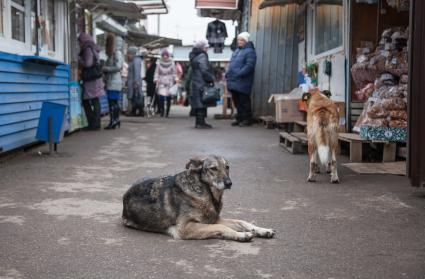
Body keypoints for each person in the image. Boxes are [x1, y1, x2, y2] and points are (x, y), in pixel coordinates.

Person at [226, 32, 257, 127]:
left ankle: (247, 119)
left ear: (246, 41)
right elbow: (232, 64)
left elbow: (249, 66)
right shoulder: (237, 51)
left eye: (242, 40)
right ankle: (240, 118)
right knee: (237, 101)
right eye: (238, 40)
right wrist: (228, 74)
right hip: (234, 80)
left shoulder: (250, 51)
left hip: (243, 80)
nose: (239, 42)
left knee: (244, 101)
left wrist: (239, 74)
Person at [78, 33, 105, 131]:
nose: (79, 44)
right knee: (95, 100)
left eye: (80, 41)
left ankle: (92, 123)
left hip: (91, 79)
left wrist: (79, 60)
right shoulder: (93, 48)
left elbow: (88, 64)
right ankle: (96, 124)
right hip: (96, 79)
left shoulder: (87, 49)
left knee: (86, 101)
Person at [189, 39, 215, 129]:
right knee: (202, 102)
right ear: (202, 48)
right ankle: (200, 123)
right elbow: (204, 70)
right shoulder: (202, 56)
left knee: (199, 102)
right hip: (201, 81)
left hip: (196, 81)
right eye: (206, 47)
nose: (207, 49)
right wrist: (211, 79)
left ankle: (199, 122)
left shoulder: (194, 56)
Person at [103, 33, 123, 129]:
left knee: (112, 102)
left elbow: (118, 67)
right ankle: (116, 120)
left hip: (114, 82)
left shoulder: (117, 53)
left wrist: (105, 68)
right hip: (112, 81)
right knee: (113, 102)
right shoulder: (111, 54)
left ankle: (114, 121)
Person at [154, 49, 177, 117]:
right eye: (163, 55)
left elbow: (174, 73)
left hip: (169, 82)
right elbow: (156, 73)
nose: (165, 56)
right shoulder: (159, 64)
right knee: (160, 97)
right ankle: (162, 110)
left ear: (168, 55)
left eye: (166, 55)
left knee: (168, 98)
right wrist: (156, 79)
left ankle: (167, 112)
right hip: (161, 82)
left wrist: (175, 79)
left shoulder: (172, 63)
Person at [127, 47, 144, 116]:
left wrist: (136, 82)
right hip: (133, 81)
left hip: (135, 82)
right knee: (135, 96)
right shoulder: (134, 60)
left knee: (136, 96)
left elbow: (137, 72)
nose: (128, 55)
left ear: (133, 53)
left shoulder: (136, 60)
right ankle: (135, 111)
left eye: (129, 53)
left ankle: (139, 111)